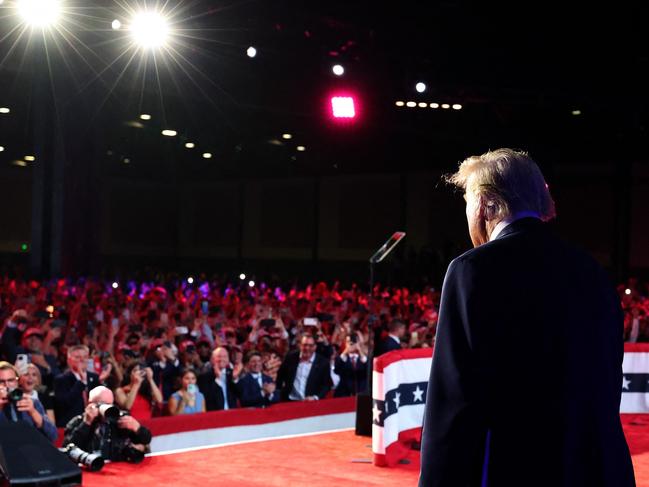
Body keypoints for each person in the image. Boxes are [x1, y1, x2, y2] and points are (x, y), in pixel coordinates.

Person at [419, 149, 635, 487]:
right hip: (595, 465)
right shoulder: (591, 270)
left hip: (515, 465)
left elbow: (453, 403)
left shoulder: (472, 270)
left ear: (484, 203)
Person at [63, 385, 151, 463]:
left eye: (110, 404)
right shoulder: (78, 422)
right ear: (90, 404)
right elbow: (68, 449)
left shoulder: (118, 419)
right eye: (102, 404)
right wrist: (86, 423)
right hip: (90, 467)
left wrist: (138, 428)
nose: (107, 408)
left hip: (116, 469)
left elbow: (146, 440)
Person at [0, 361, 58, 442]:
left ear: (17, 382)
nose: (7, 385)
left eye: (11, 380)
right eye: (1, 382)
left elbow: (53, 436)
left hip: (30, 451)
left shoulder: (32, 403)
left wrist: (33, 412)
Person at [54, 345, 100, 427]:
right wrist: (81, 382)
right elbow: (64, 404)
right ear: (69, 360)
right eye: (78, 357)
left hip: (92, 425)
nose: (82, 360)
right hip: (71, 425)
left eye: (85, 357)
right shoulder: (61, 380)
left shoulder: (94, 377)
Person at [276, 334, 331, 401]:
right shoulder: (291, 357)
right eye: (305, 345)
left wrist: (315, 397)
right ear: (300, 345)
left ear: (315, 347)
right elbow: (280, 377)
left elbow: (326, 385)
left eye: (310, 346)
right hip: (290, 401)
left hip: (311, 402)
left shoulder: (323, 363)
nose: (307, 348)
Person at [197, 347, 240, 411]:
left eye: (225, 356)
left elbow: (241, 394)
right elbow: (207, 398)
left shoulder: (233, 373)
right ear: (212, 359)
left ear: (228, 359)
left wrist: (235, 379)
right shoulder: (204, 376)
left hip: (232, 413)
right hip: (214, 415)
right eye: (219, 356)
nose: (221, 359)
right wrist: (218, 379)